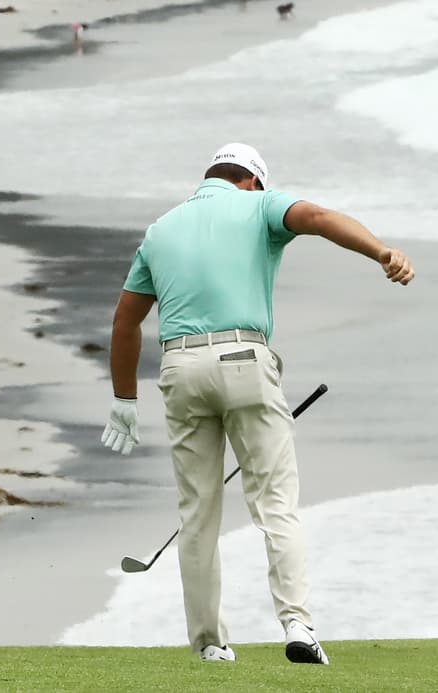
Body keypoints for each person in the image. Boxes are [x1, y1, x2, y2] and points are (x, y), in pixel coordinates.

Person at [103, 143, 413, 664]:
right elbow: (315, 217)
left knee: (198, 513)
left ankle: (209, 645)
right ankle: (297, 625)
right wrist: (380, 251)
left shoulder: (161, 229)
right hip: (245, 360)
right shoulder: (259, 206)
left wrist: (124, 400)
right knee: (274, 503)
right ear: (252, 181)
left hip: (178, 370)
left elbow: (125, 321)